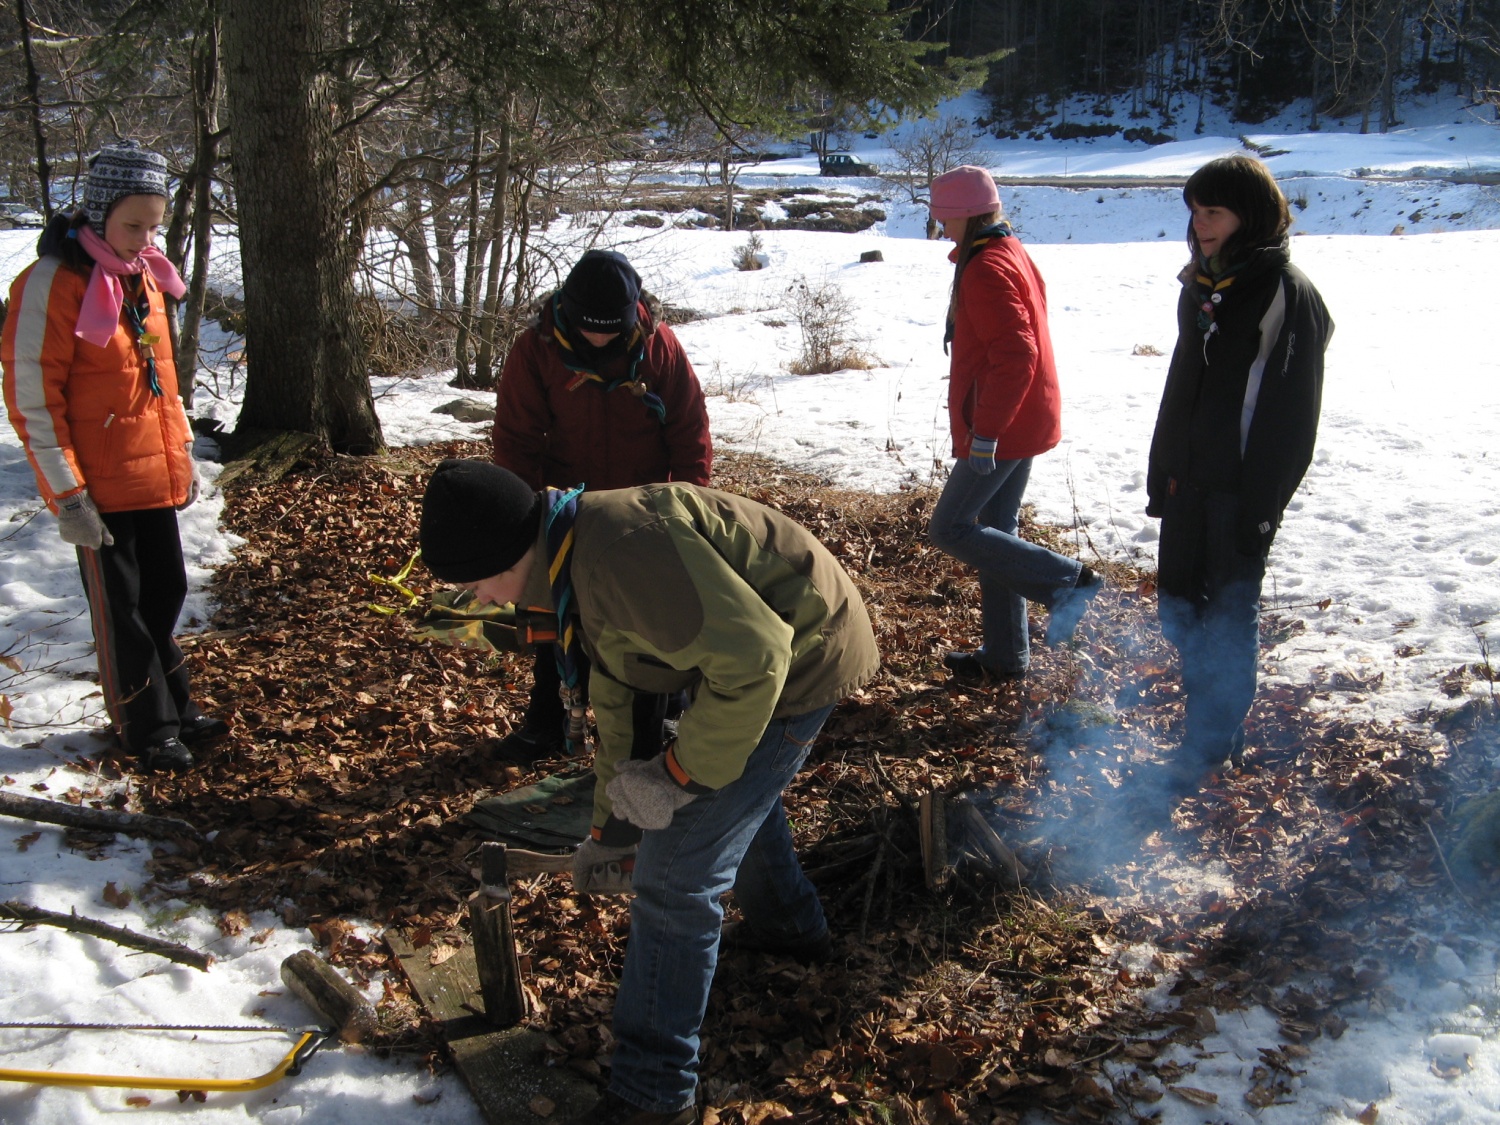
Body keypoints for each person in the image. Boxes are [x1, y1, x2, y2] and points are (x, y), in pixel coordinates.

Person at [420, 459, 879, 1125]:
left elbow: (756, 664)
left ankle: (653, 1093)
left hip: (802, 657)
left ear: (506, 553)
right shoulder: (573, 560)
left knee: (675, 876)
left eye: (476, 582)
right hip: (766, 654)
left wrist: (677, 777)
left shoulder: (618, 555)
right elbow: (620, 699)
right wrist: (608, 829)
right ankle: (791, 929)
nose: (481, 600)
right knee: (736, 804)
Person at [1, 141, 226, 773]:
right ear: (98, 216)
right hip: (94, 486)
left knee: (167, 591)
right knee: (122, 609)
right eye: (134, 225)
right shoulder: (52, 283)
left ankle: (176, 709)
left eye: (155, 225)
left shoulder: (145, 277)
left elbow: (162, 383)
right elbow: (31, 397)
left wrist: (180, 453)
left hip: (150, 472)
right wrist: (65, 493)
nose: (145, 238)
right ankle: (145, 726)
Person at [1146, 154, 1333, 792]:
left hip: (1238, 488)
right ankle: (1215, 728)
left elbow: (1291, 415)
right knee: (1177, 608)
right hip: (1187, 479)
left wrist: (1261, 505)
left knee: (1227, 614)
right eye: (1195, 212)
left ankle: (1209, 746)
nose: (1201, 224)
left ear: (1247, 217)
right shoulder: (1200, 284)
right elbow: (1181, 383)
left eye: (1214, 212)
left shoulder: (1287, 293)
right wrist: (1162, 467)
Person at [491, 249, 712, 763]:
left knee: (650, 618)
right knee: (556, 613)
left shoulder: (660, 347)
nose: (598, 339)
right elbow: (516, 438)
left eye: (610, 330)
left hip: (644, 508)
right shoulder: (537, 350)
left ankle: (668, 709)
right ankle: (547, 718)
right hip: (565, 507)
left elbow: (689, 432)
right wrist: (527, 516)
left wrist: (688, 508)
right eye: (590, 329)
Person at [924, 165, 1101, 681]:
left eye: (942, 218)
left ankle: (1068, 583)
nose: (940, 228)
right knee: (997, 534)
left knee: (952, 527)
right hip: (1021, 414)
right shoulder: (1007, 251)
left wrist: (986, 432)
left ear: (962, 215)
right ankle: (1005, 657)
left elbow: (1017, 354)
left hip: (1003, 424)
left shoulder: (986, 268)